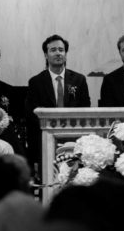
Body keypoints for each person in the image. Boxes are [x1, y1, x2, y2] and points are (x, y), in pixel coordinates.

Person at [24, 34, 91, 175]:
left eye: (61, 50)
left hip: (74, 140)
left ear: (66, 54)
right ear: (46, 55)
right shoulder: (36, 82)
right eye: (53, 50)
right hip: (46, 142)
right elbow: (31, 117)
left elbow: (85, 110)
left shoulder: (79, 80)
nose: (58, 53)